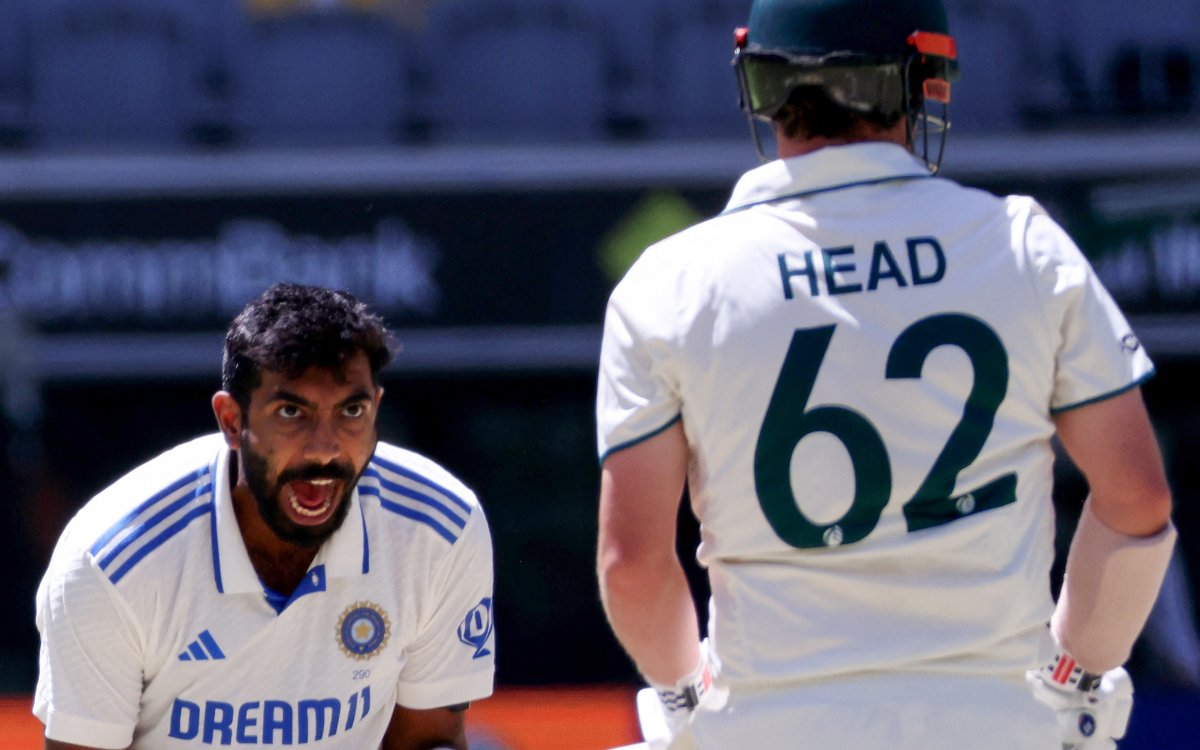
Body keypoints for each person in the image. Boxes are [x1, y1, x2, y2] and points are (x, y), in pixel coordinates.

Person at [594, 1, 1176, 748]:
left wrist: (685, 701)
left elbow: (633, 565)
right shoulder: (1026, 247)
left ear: (760, 84)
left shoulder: (668, 283)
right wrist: (1074, 677)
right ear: (923, 79)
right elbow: (1137, 500)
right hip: (997, 726)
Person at [34, 283, 495, 749]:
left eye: (351, 411)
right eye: (292, 412)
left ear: (376, 408)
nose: (325, 449)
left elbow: (429, 739)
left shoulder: (442, 528)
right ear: (232, 421)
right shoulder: (109, 562)